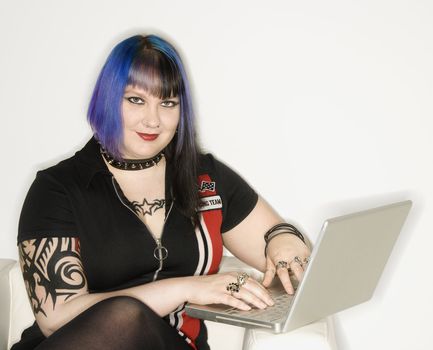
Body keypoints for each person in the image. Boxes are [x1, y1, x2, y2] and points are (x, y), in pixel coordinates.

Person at [13, 34, 311, 350]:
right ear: (107, 100)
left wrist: (285, 238)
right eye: (136, 100)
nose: (152, 120)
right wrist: (189, 288)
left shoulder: (205, 178)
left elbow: (283, 255)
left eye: (167, 103)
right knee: (124, 317)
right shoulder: (58, 188)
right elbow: (56, 317)